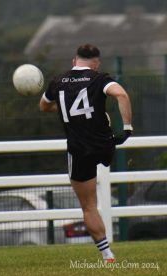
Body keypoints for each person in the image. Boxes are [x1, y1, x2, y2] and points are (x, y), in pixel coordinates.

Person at [39, 44, 133, 262]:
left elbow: (43, 107)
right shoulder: (99, 78)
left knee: (89, 206)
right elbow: (121, 95)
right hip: (104, 144)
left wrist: (64, 107)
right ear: (96, 63)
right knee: (108, 133)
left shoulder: (58, 81)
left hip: (79, 149)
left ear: (74, 61)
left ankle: (107, 253)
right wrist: (127, 128)